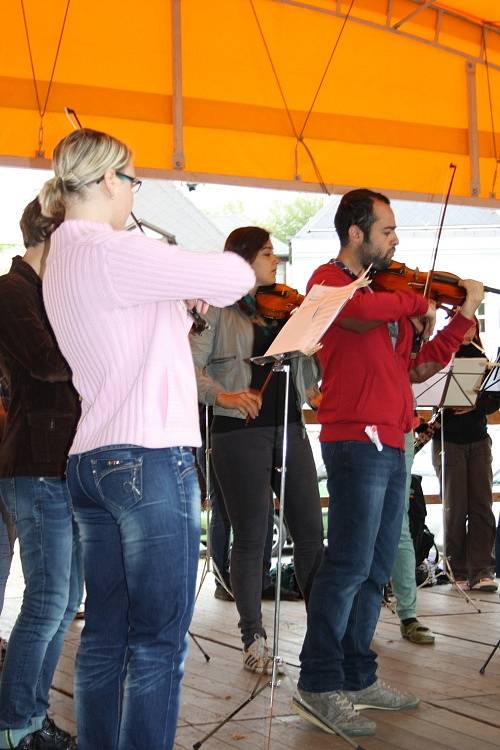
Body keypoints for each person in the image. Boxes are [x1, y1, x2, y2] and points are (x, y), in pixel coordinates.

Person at [39, 128, 255, 750]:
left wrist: (178, 302)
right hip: (147, 457)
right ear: (109, 180)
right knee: (159, 644)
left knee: (106, 635)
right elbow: (236, 274)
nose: (135, 192)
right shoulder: (113, 251)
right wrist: (182, 267)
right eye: (133, 181)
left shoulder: (64, 256)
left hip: (93, 457)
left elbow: (129, 327)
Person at [292, 188, 484, 738]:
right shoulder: (329, 285)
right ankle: (318, 681)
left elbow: (417, 370)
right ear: (356, 233)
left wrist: (458, 318)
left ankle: (357, 675)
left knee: (375, 571)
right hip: (356, 442)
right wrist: (419, 304)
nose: (397, 241)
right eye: (388, 231)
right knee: (348, 566)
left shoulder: (387, 297)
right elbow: (357, 313)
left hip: (393, 443)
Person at [190, 226, 324, 674]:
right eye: (267, 254)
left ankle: (325, 634)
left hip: (289, 426)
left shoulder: (285, 309)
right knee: (253, 536)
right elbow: (187, 367)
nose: (276, 262)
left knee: (309, 532)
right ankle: (254, 638)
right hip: (238, 433)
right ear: (242, 260)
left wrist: (311, 352)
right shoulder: (215, 310)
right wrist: (224, 396)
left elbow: (305, 374)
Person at [0, 198, 83, 750]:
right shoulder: (11, 291)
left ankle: (30, 716)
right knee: (48, 600)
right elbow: (50, 364)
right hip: (34, 463)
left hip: (62, 464)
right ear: (56, 233)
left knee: (62, 598)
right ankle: (15, 725)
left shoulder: (51, 293)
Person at [432, 323, 499, 592]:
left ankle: (482, 569)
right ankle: (456, 569)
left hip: (478, 439)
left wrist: (473, 403)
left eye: (472, 325)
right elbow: (431, 393)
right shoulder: (443, 353)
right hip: (449, 440)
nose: (467, 330)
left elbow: (494, 398)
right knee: (455, 508)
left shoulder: (484, 357)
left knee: (482, 506)